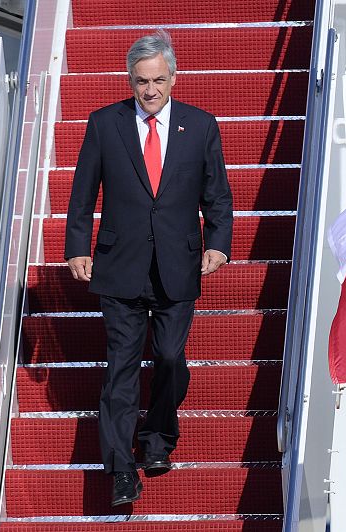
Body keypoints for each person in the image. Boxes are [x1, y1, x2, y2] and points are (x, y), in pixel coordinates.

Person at [64, 30, 233, 506]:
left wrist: (218, 245)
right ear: (130, 80)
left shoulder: (200, 126)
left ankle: (158, 438)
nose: (150, 90)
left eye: (159, 80)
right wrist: (78, 247)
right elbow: (83, 193)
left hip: (178, 267)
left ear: (174, 78)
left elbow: (217, 194)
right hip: (120, 267)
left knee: (170, 360)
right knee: (120, 368)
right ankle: (120, 469)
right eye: (142, 82)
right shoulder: (105, 123)